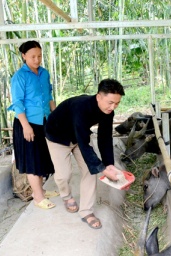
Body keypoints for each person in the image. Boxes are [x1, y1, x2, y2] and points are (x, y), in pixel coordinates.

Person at [45, 78, 125, 229]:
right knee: (63, 175)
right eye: (110, 102)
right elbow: (84, 143)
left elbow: (105, 138)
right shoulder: (81, 107)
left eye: (117, 103)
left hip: (77, 136)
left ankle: (86, 211)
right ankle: (66, 196)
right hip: (57, 137)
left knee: (90, 170)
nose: (113, 107)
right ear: (99, 96)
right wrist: (102, 168)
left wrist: (108, 165)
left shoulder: (108, 111)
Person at [8, 40, 58, 209]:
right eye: (33, 57)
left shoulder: (44, 73)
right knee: (31, 159)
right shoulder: (19, 77)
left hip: (44, 120)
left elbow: (49, 96)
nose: (37, 60)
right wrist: (26, 127)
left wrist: (55, 114)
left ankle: (42, 190)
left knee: (43, 156)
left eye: (39, 56)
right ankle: (37, 197)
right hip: (27, 123)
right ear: (24, 56)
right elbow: (18, 103)